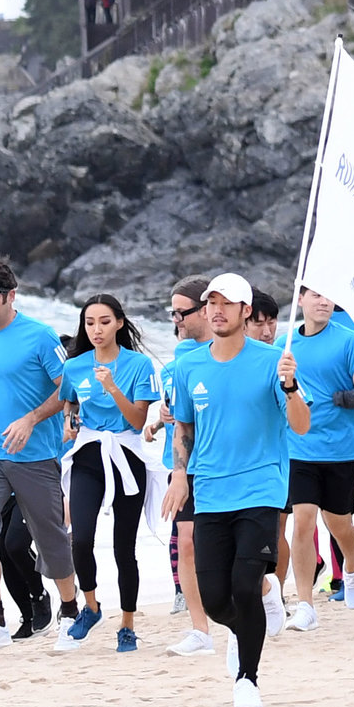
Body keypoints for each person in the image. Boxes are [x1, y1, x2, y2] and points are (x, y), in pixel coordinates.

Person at [165, 273, 309, 707]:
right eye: (212, 303)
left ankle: (248, 677)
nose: (218, 310)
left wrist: (290, 386)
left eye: (228, 303)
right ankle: (255, 616)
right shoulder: (189, 365)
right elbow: (184, 428)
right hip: (209, 491)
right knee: (215, 600)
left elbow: (301, 425)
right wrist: (178, 474)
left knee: (244, 586)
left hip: (261, 488)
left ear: (247, 311)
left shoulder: (273, 361)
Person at [0, 259, 83, 655]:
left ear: (12, 296)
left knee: (50, 538)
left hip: (36, 454)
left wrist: (31, 418)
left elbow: (69, 388)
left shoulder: (41, 337)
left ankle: (70, 611)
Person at [57, 295, 157, 653]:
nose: (96, 329)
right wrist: (70, 420)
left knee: (123, 549)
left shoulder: (139, 365)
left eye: (103, 321)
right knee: (80, 538)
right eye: (89, 323)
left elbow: (138, 420)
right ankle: (92, 606)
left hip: (127, 456)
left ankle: (128, 625)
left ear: (118, 323)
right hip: (88, 456)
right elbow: (68, 401)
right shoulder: (75, 366)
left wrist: (113, 387)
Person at [282, 288, 354, 629]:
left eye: (329, 296)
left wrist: (342, 398)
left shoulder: (349, 340)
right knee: (302, 520)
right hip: (298, 446)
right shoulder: (285, 346)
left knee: (340, 525)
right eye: (316, 295)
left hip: (341, 448)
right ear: (300, 301)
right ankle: (305, 604)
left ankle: (352, 564)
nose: (323, 302)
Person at [157, 277, 220, 655]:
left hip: (233, 464)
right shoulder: (181, 358)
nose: (176, 320)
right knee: (189, 543)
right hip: (187, 464)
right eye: (173, 312)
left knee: (225, 549)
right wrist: (162, 416)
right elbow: (181, 414)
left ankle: (266, 589)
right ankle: (200, 630)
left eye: (182, 312)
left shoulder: (241, 351)